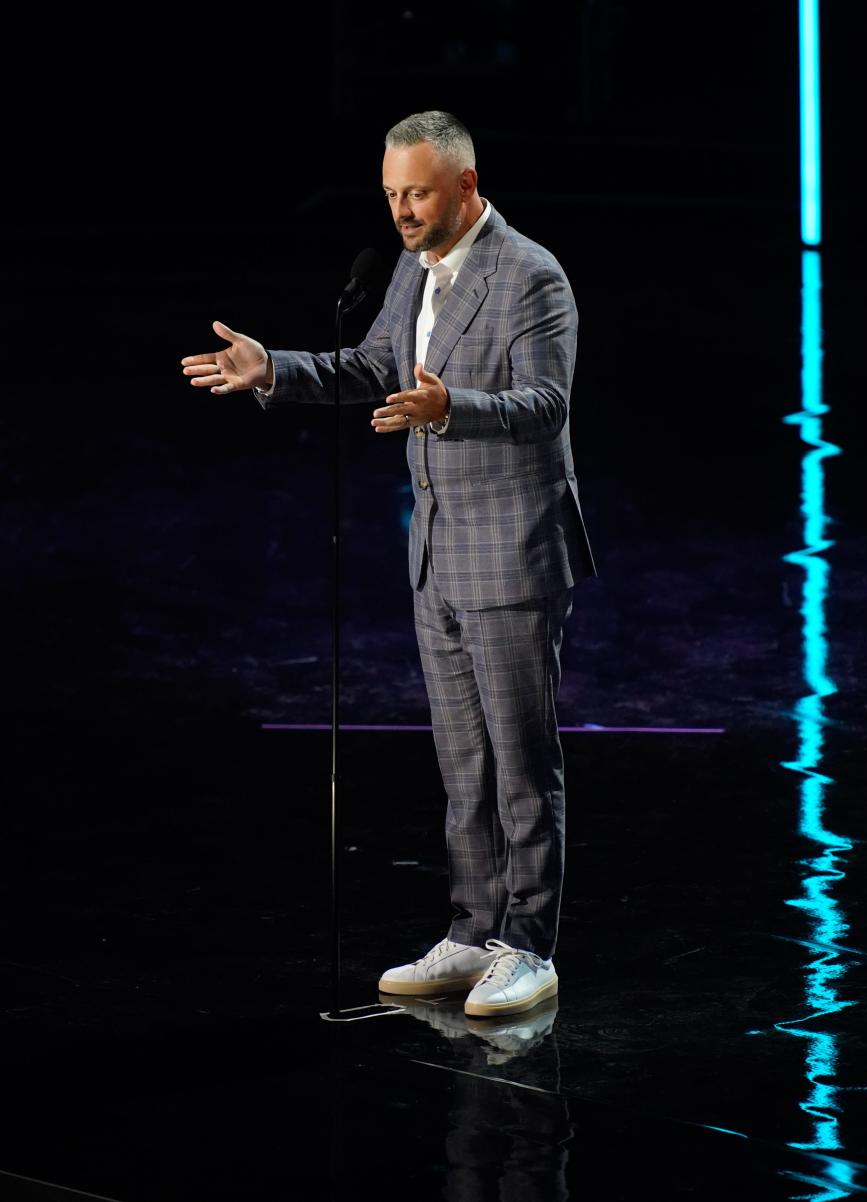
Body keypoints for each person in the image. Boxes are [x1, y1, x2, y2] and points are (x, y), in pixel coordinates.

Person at [181, 111, 595, 1018]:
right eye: (391, 195)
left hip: (514, 549)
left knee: (520, 761)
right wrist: (273, 371)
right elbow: (372, 364)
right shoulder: (413, 269)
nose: (401, 212)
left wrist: (454, 406)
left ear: (466, 187)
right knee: (460, 759)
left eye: (416, 193)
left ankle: (529, 946)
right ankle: (471, 928)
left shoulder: (530, 275)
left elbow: (545, 403)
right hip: (437, 552)